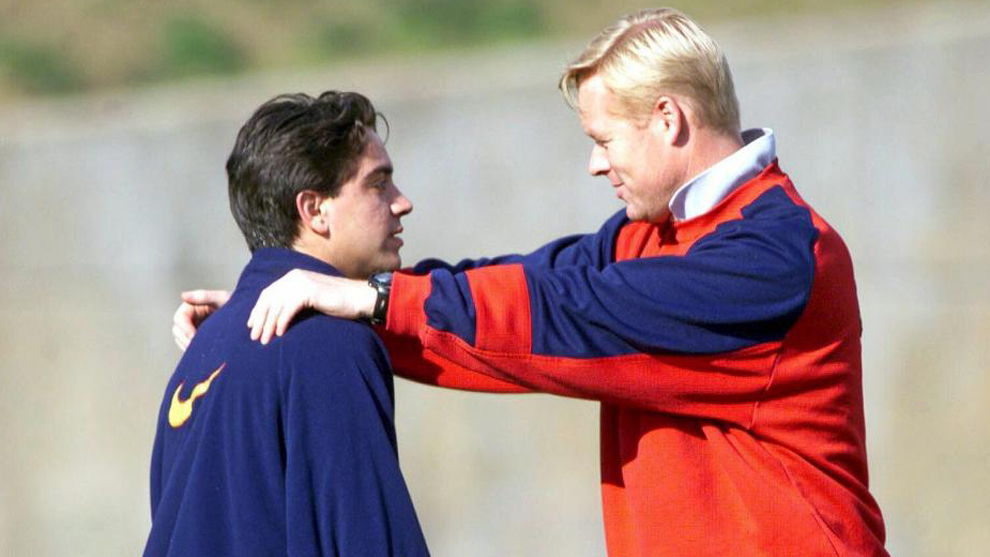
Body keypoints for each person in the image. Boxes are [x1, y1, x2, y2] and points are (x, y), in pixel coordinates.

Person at [174, 8, 889, 557]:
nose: (594, 166)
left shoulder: (778, 256)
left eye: (603, 140)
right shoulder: (647, 235)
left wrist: (373, 299)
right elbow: (517, 285)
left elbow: (574, 315)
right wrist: (283, 304)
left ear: (669, 119)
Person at [147, 91, 430, 557]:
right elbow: (370, 538)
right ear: (314, 210)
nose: (403, 203)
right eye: (379, 185)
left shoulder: (205, 347)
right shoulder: (328, 343)